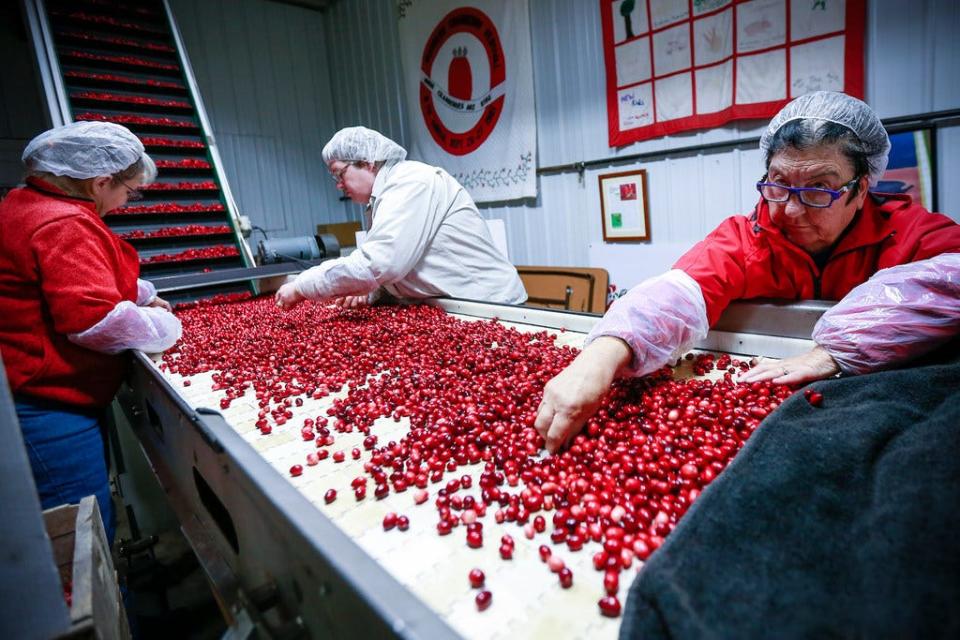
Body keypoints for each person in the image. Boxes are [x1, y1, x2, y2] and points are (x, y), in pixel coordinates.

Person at [535, 91, 960, 454]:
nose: (791, 210)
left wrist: (836, 350)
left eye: (817, 190)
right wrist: (597, 360)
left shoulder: (911, 234)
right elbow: (677, 293)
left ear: (861, 187)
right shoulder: (747, 238)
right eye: (778, 184)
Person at [0, 121, 182, 544]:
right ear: (100, 183)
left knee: (84, 524)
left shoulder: (26, 203)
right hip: (47, 405)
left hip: (36, 391)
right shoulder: (62, 222)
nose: (126, 201)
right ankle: (100, 612)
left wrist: (137, 293)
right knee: (84, 536)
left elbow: (62, 278)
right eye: (129, 191)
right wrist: (165, 328)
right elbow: (94, 320)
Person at [274, 126, 527, 310]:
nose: (339, 185)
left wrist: (302, 285)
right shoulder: (383, 196)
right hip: (457, 307)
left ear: (367, 162)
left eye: (340, 174)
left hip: (492, 307)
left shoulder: (410, 183)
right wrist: (374, 291)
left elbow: (380, 263)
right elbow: (407, 264)